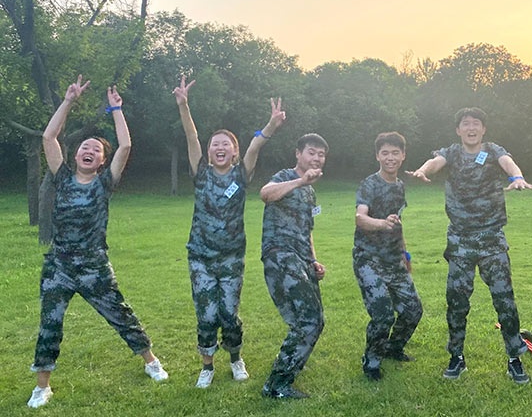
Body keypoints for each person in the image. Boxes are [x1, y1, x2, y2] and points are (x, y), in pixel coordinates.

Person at [28, 76, 168, 409]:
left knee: (121, 315)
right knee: (49, 325)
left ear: (103, 161)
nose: (89, 151)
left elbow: (126, 146)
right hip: (59, 267)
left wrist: (116, 109)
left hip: (94, 266)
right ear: (75, 154)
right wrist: (68, 101)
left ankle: (151, 361)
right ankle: (42, 387)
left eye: (96, 150)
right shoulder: (61, 177)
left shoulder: (104, 183)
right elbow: (49, 137)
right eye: (84, 147)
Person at [407, 107, 532, 385]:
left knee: (505, 301)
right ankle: (457, 357)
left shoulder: (493, 150)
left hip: (492, 240)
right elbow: (436, 162)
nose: (471, 128)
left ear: (483, 129)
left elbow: (508, 163)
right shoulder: (452, 152)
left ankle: (514, 359)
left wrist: (517, 177)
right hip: (461, 241)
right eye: (466, 124)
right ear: (458, 130)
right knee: (456, 303)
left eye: (476, 123)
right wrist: (423, 170)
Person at [173, 76, 285, 389]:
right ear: (209, 152)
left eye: (226, 144)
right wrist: (184, 105)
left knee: (229, 314)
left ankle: (235, 358)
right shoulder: (201, 173)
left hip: (232, 257)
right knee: (207, 315)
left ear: (234, 152)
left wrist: (272, 124)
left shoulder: (241, 174)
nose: (220, 147)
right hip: (200, 257)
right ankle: (207, 365)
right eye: (215, 144)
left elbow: (256, 145)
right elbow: (191, 135)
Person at [260, 133, 329, 399]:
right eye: (312, 152)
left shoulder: (311, 192)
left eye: (321, 154)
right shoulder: (285, 176)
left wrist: (314, 260)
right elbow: (265, 194)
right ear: (298, 154)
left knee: (311, 320)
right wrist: (300, 181)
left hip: (301, 259)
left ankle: (287, 363)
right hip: (281, 255)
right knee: (309, 320)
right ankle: (277, 386)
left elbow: (307, 230)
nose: (317, 158)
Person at [354, 132, 423, 381]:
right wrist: (382, 223)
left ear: (403, 156)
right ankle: (371, 362)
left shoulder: (400, 186)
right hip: (368, 259)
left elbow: (398, 221)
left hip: (394, 259)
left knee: (413, 310)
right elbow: (360, 218)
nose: (390, 157)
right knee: (383, 315)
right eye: (385, 153)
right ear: (377, 156)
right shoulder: (369, 184)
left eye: (395, 153)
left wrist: (405, 253)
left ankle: (393, 349)